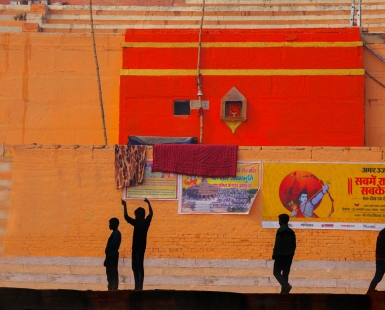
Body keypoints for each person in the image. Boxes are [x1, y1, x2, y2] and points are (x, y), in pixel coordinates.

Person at [122, 198, 153, 290]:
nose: (135, 217)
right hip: (139, 247)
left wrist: (124, 206)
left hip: (136, 247)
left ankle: (138, 286)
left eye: (136, 215)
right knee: (138, 266)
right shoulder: (146, 222)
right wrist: (148, 203)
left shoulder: (138, 223)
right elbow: (151, 214)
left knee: (136, 267)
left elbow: (126, 217)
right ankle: (139, 286)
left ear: (139, 215)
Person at [272, 213, 296, 294]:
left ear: (281, 221)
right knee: (285, 273)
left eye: (279, 220)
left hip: (281, 255)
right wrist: (291, 253)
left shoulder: (280, 230)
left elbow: (278, 243)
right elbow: (294, 245)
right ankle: (284, 292)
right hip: (289, 255)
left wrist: (275, 253)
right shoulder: (291, 232)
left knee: (276, 272)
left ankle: (285, 285)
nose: (279, 222)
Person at [104, 217, 121, 290]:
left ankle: (114, 287)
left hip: (113, 255)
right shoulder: (114, 233)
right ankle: (110, 286)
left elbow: (113, 244)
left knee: (113, 271)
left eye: (111, 224)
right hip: (109, 255)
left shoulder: (117, 233)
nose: (109, 225)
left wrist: (108, 247)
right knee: (109, 272)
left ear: (115, 224)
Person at [367, 228, 385, 294]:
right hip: (382, 259)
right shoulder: (383, 233)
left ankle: (369, 292)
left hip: (381, 259)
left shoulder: (382, 232)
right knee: (378, 277)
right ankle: (369, 292)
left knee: (378, 277)